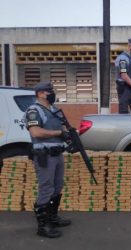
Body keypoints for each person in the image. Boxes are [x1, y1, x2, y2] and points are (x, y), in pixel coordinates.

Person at [25, 82, 71, 238]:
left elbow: (64, 129)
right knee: (46, 188)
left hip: (57, 153)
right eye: (48, 91)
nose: (52, 93)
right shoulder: (34, 110)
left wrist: (70, 135)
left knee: (57, 186)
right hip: (44, 155)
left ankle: (52, 217)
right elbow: (36, 132)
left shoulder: (54, 109)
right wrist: (59, 132)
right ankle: (43, 226)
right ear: (39, 94)